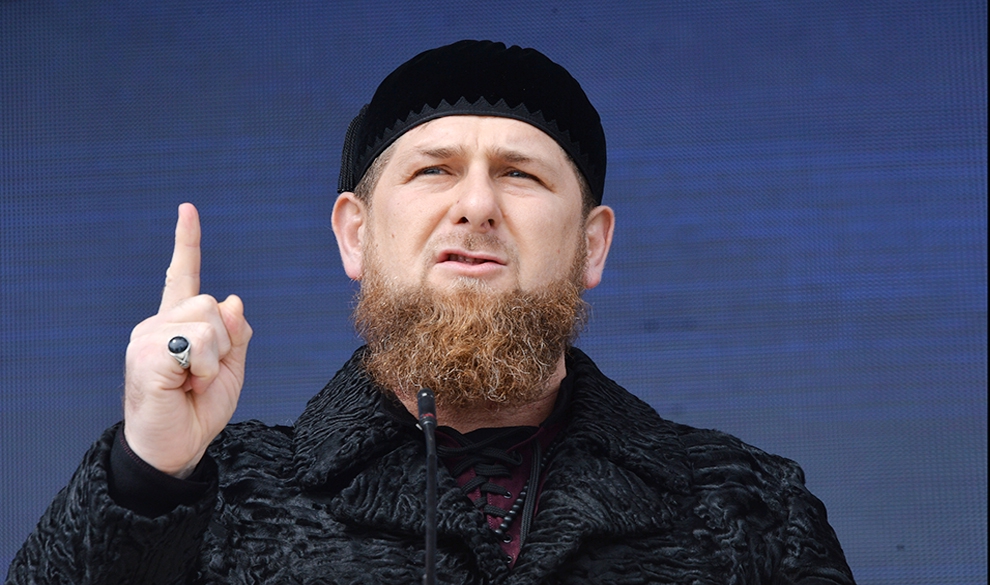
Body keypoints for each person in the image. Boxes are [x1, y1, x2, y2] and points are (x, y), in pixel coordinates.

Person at [6, 40, 856, 585]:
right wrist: (148, 474)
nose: (476, 205)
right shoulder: (225, 492)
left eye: (520, 174)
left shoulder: (748, 508)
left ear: (592, 244)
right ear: (355, 233)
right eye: (433, 170)